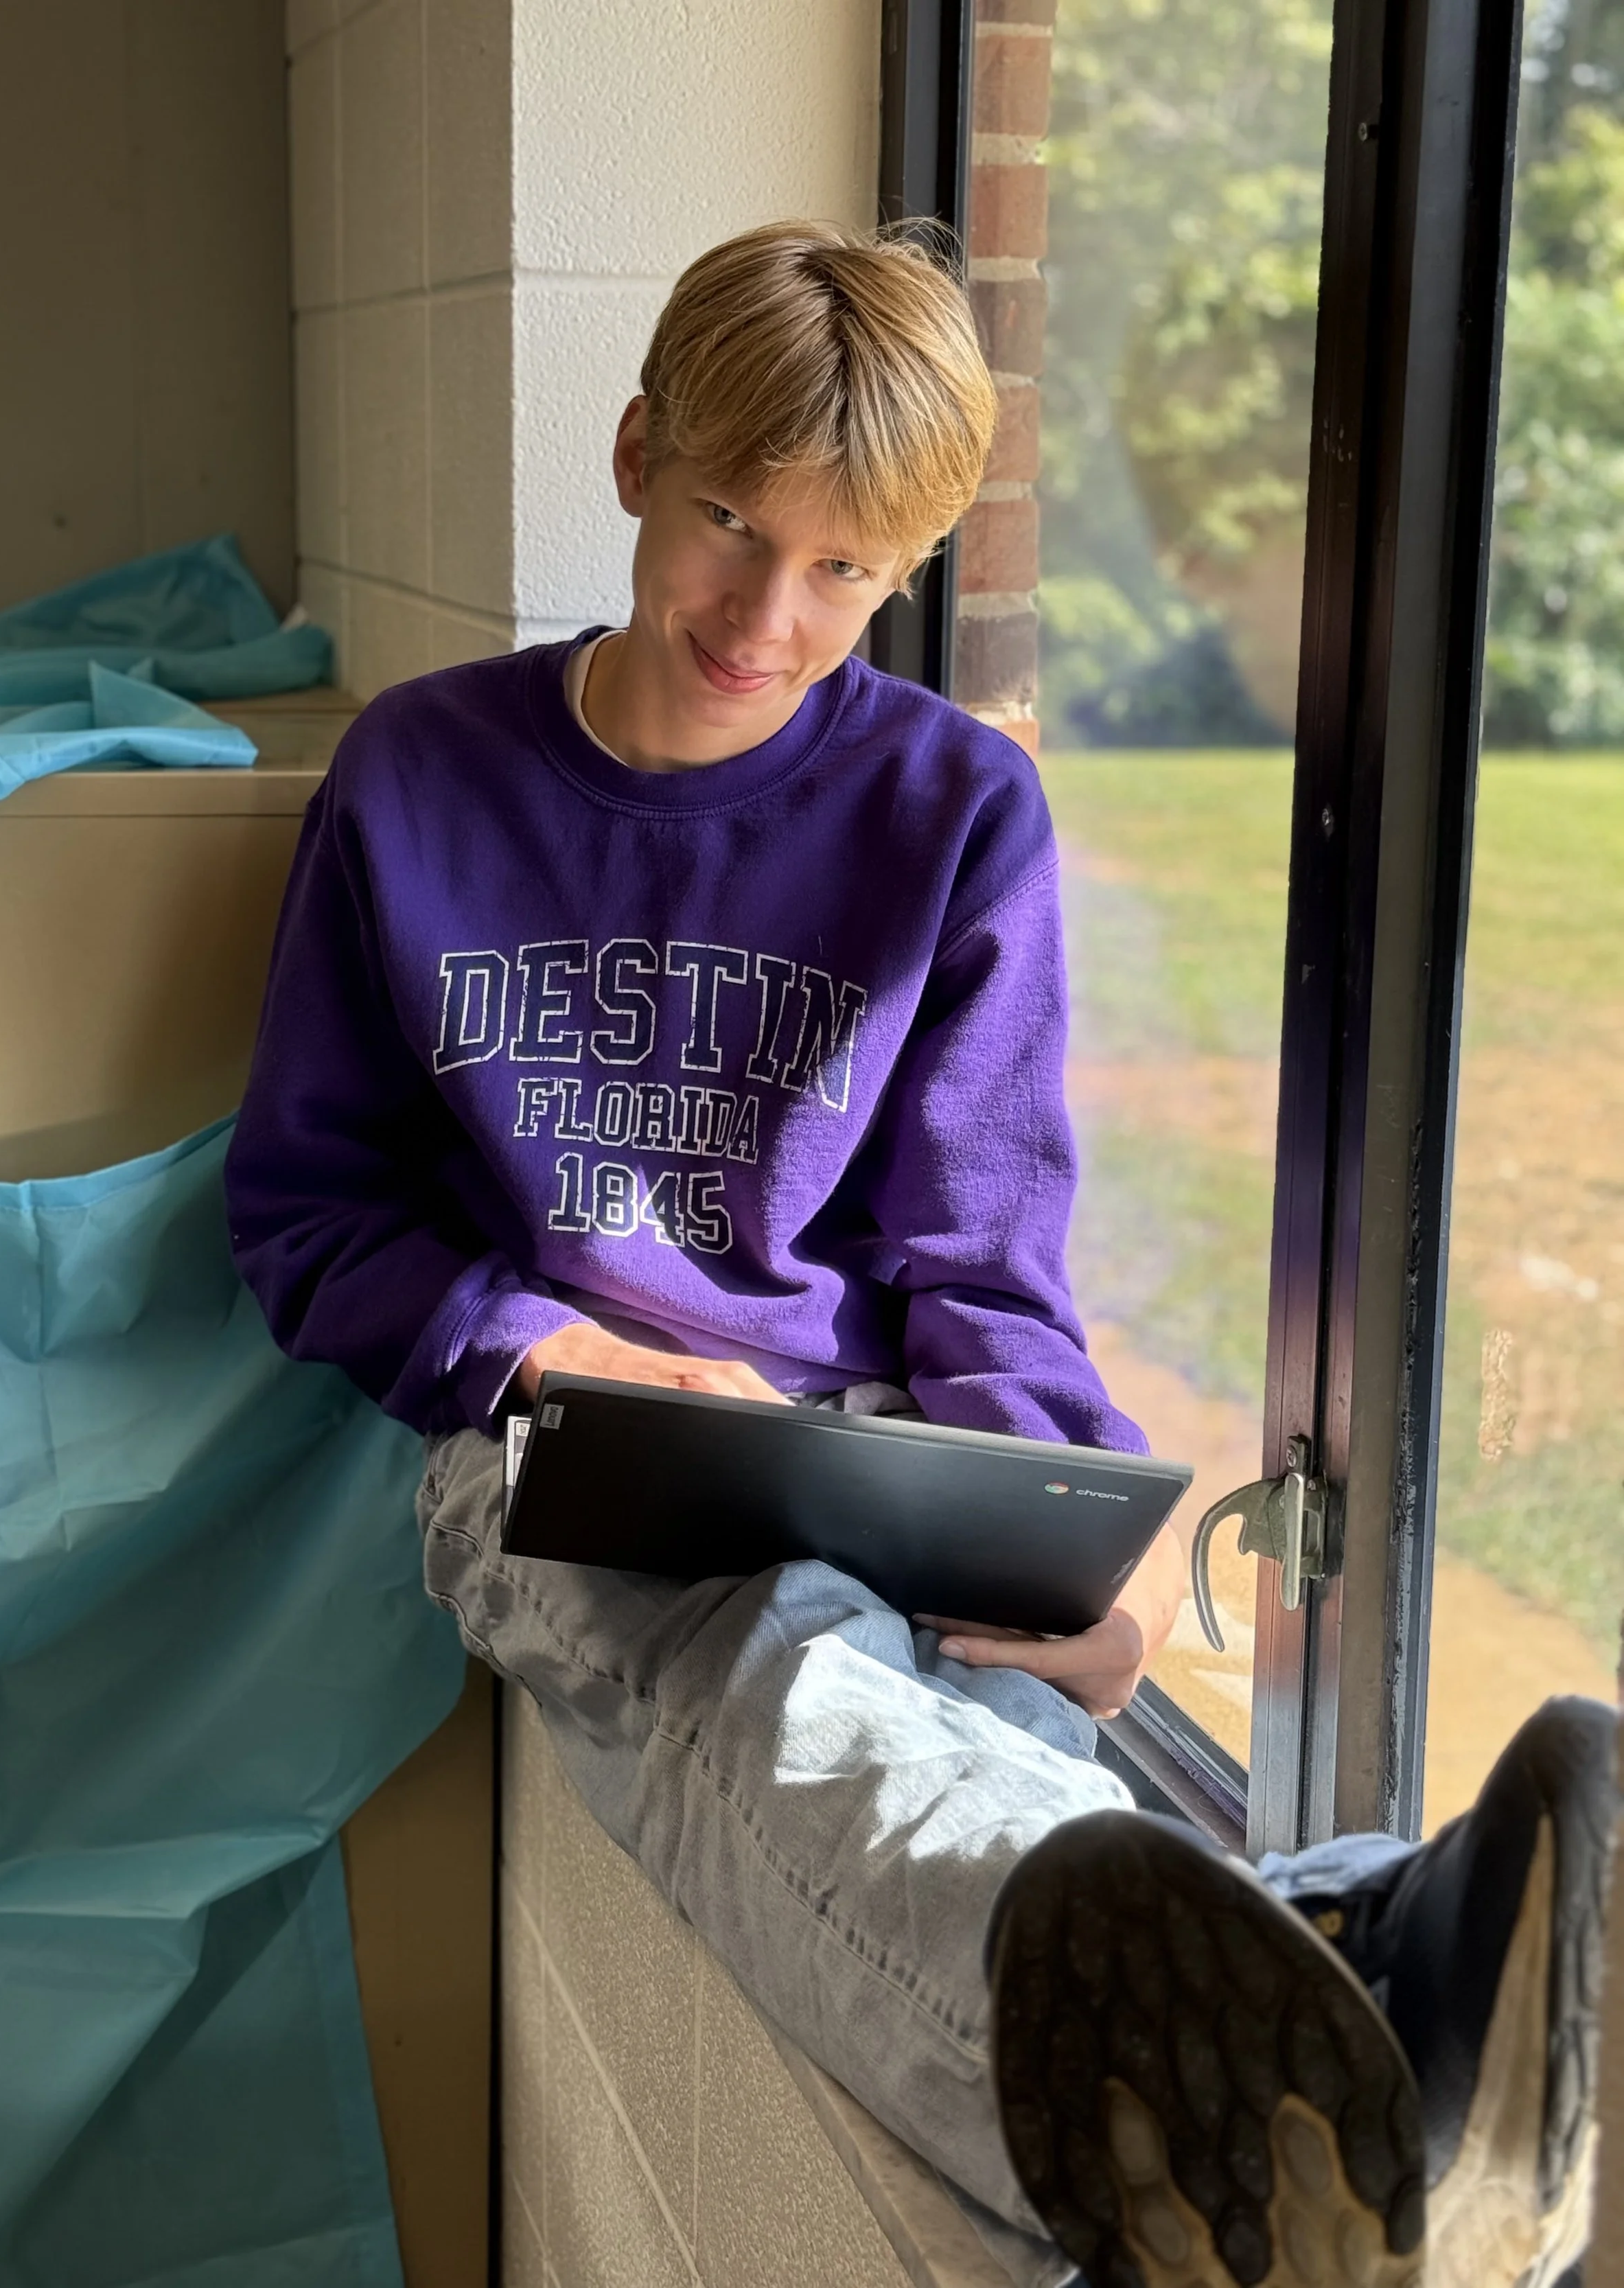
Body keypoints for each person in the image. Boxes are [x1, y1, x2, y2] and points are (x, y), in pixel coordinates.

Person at [227, 220, 1616, 2288]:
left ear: (907, 569)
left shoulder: (956, 806)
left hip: (878, 1436)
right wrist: (538, 1348)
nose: (766, 616)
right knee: (766, 1657)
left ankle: (1316, 2001)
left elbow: (980, 1255)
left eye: (845, 574)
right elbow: (307, 1214)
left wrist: (1067, 1543)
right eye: (728, 523)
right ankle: (1339, 1954)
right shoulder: (421, 776)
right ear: (632, 455)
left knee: (983, 1720)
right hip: (549, 1456)